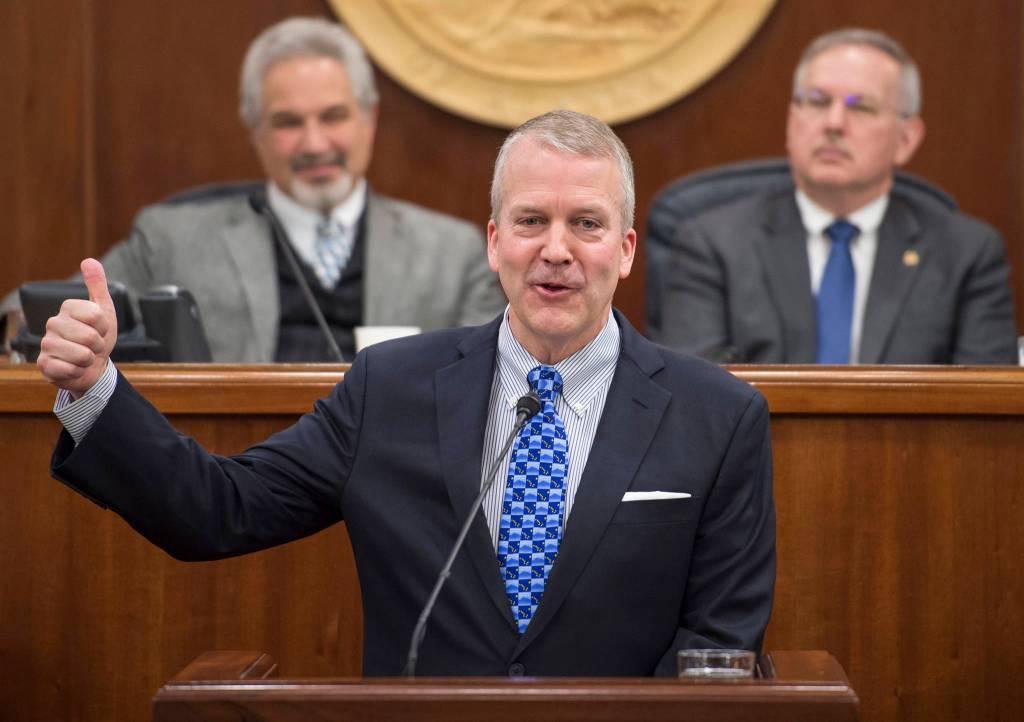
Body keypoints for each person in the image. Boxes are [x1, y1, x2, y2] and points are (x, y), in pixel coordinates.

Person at [38, 110, 775, 677]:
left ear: (625, 249)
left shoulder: (718, 417)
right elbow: (215, 511)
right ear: (493, 242)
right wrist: (95, 387)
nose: (556, 249)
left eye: (586, 223)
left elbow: (718, 646)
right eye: (530, 222)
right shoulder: (390, 389)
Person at [2, 17, 504, 362]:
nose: (315, 143)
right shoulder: (173, 238)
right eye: (288, 122)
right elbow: (31, 319)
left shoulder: (455, 255)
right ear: (255, 134)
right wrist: (49, 330)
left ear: (369, 119)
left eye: (333, 117)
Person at [648, 28, 1017, 364]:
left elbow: (984, 412)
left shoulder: (966, 253)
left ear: (906, 139)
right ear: (793, 121)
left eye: (861, 107)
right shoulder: (712, 244)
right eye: (817, 101)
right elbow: (694, 398)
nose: (834, 123)